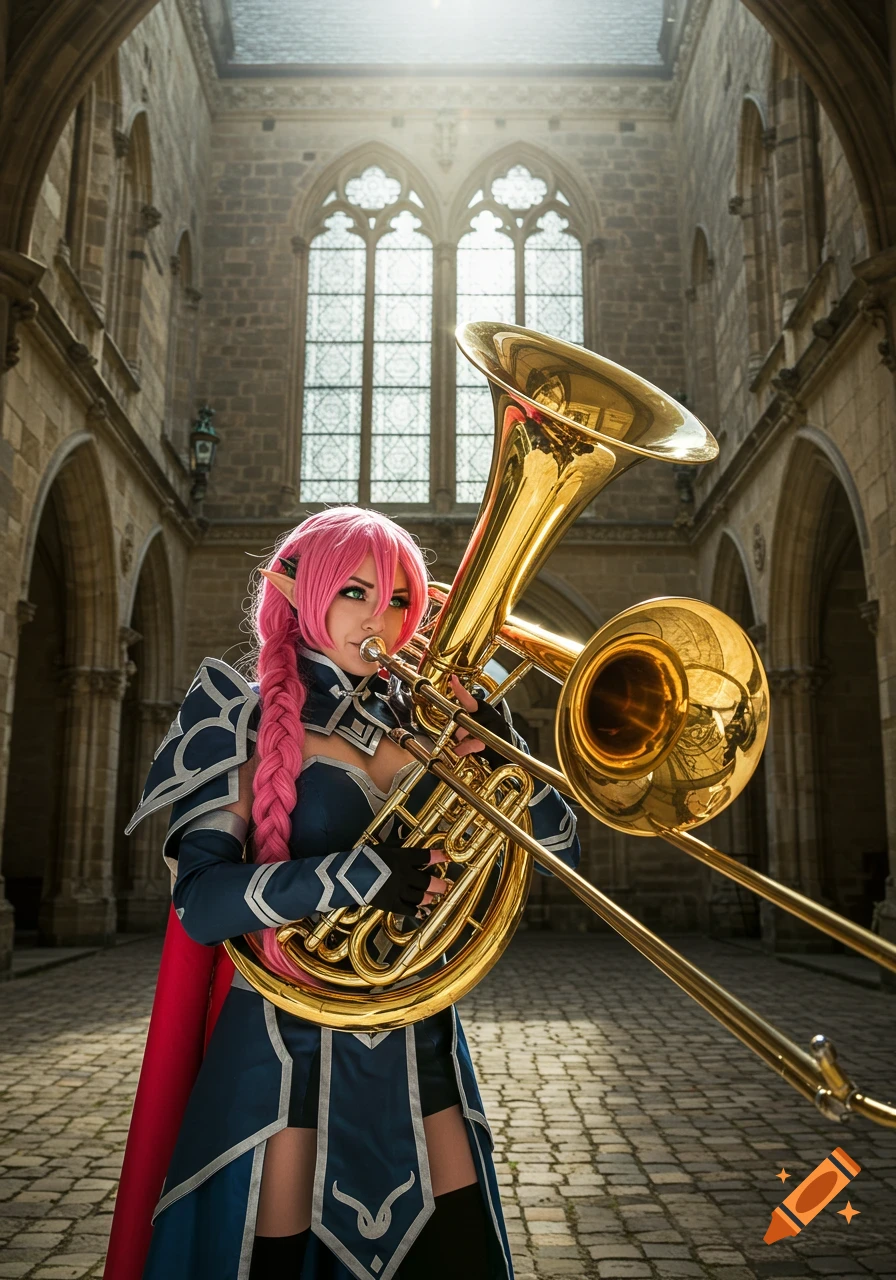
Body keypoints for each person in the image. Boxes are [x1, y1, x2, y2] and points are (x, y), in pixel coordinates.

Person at [110, 506, 580, 1280]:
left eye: (400, 600)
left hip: (418, 1039)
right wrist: (359, 877)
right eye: (357, 591)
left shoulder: (421, 725)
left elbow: (556, 844)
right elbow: (200, 904)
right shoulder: (235, 714)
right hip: (282, 1052)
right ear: (301, 592)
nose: (381, 619)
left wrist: (503, 742)